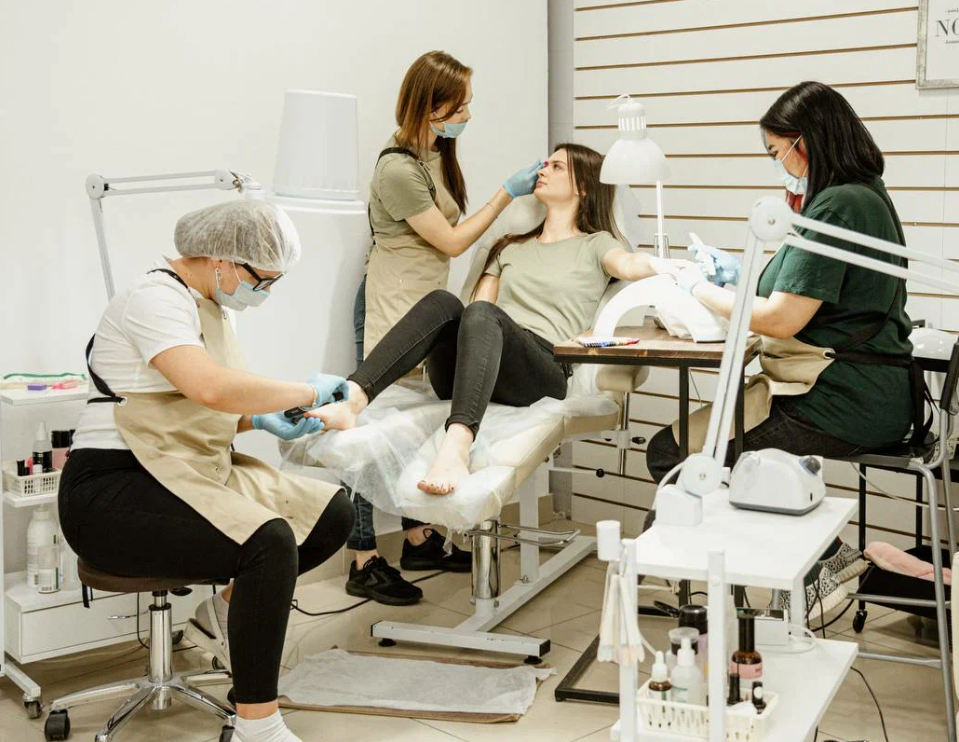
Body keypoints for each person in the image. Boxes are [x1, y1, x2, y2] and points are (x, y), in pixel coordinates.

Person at [59, 200, 354, 742]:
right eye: (262, 280)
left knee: (331, 515)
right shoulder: (155, 299)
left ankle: (220, 613)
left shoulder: (211, 307)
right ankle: (257, 726)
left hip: (186, 468)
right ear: (222, 259)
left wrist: (259, 420)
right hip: (112, 486)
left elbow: (195, 410)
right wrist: (307, 391)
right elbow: (209, 388)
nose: (265, 292)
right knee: (269, 541)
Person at [646, 81, 918, 618]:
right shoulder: (862, 195)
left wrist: (695, 289)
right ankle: (811, 566)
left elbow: (782, 317)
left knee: (673, 458)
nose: (778, 165)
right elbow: (796, 292)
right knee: (701, 456)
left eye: (776, 152)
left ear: (805, 141)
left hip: (839, 398)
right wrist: (732, 278)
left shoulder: (838, 205)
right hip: (859, 391)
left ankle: (820, 564)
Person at [315, 143, 691, 499]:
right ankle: (353, 398)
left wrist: (663, 265)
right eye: (545, 163)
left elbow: (627, 264)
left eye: (557, 166)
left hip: (541, 371)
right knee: (445, 303)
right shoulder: (511, 245)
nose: (543, 170)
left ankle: (456, 447)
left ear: (583, 187)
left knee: (483, 315)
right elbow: (477, 311)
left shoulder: (596, 244)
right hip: (481, 364)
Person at [346, 50, 548, 607]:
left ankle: (418, 540)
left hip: (425, 301)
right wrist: (507, 193)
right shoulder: (397, 169)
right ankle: (363, 557)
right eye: (459, 108)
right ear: (428, 107)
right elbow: (454, 241)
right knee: (372, 430)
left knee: (418, 419)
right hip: (392, 303)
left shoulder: (435, 152)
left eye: (467, 106)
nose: (467, 117)